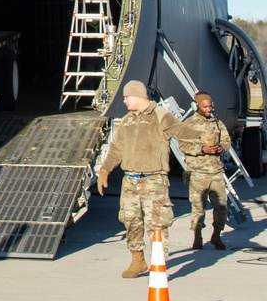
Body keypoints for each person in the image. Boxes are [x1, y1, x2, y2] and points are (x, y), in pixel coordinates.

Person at [96, 79, 198, 278]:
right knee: (130, 221)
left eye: (127, 97)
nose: (124, 101)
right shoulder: (127, 120)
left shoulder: (160, 115)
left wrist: (202, 137)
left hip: (153, 180)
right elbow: (117, 148)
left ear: (138, 96)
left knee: (157, 224)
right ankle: (137, 260)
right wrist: (105, 170)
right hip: (130, 180)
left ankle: (158, 263)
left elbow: (180, 131)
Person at [180, 92, 231, 250]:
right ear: (196, 107)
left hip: (215, 171)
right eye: (205, 106)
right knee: (198, 207)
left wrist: (221, 148)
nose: (209, 109)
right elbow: (183, 145)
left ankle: (216, 235)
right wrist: (202, 149)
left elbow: (227, 141)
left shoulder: (217, 123)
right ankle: (197, 236)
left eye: (210, 106)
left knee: (222, 206)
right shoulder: (189, 124)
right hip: (197, 172)